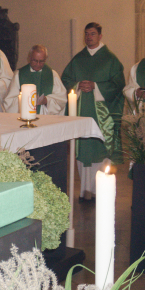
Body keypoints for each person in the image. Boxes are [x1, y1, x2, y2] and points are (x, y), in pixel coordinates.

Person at [61, 22, 125, 201]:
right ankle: (84, 191)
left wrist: (96, 86)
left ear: (100, 36)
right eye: (87, 34)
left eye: (93, 34)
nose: (89, 37)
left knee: (100, 150)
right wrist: (77, 85)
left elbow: (118, 85)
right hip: (81, 112)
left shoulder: (110, 60)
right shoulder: (78, 59)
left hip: (101, 115)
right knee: (84, 151)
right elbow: (65, 79)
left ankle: (100, 191)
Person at [3, 44, 67, 115]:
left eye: (42, 61)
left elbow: (61, 99)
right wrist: (26, 100)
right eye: (35, 61)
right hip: (26, 117)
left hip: (46, 118)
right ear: (29, 58)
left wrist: (47, 101)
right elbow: (9, 102)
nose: (38, 64)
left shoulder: (52, 74)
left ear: (45, 59)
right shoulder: (19, 75)